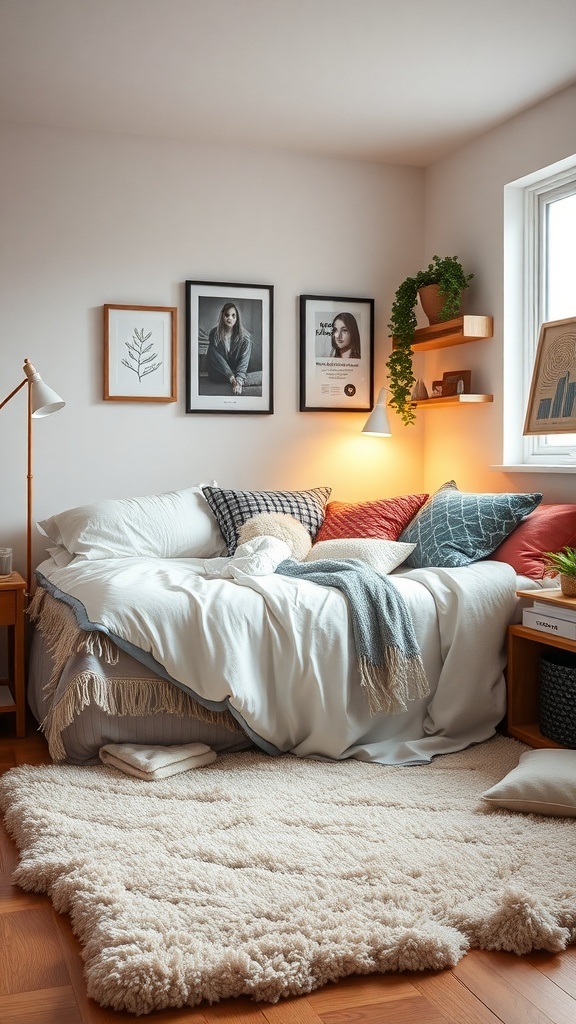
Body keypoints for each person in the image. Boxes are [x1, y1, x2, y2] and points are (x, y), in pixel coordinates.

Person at [206, 302, 252, 394]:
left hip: (236, 371)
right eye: (227, 315)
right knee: (211, 349)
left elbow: (244, 361)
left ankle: (239, 378)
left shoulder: (245, 338)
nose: (230, 318)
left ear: (237, 318)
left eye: (233, 316)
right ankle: (237, 377)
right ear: (222, 316)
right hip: (218, 373)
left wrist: (238, 381)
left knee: (251, 375)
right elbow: (216, 358)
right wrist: (230, 376)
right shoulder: (214, 334)